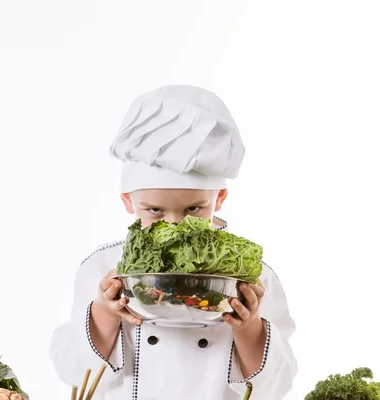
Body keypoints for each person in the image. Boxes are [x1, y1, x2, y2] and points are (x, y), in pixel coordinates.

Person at [50, 85, 297, 399]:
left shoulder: (252, 278)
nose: (175, 225)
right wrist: (103, 311)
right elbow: (71, 370)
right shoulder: (103, 268)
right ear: (128, 200)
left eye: (193, 209)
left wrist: (249, 327)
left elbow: (277, 386)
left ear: (219, 197)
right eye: (154, 210)